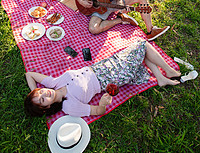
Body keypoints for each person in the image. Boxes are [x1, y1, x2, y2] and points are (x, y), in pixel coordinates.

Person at [24, 39, 181, 118]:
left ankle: (160, 78)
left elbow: (29, 74)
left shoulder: (53, 84)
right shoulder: (69, 107)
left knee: (140, 53)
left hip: (101, 65)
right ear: (46, 108)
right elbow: (99, 111)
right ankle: (168, 70)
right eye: (42, 100)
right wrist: (103, 103)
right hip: (111, 77)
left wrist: (34, 91)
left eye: (41, 92)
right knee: (143, 45)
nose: (45, 94)